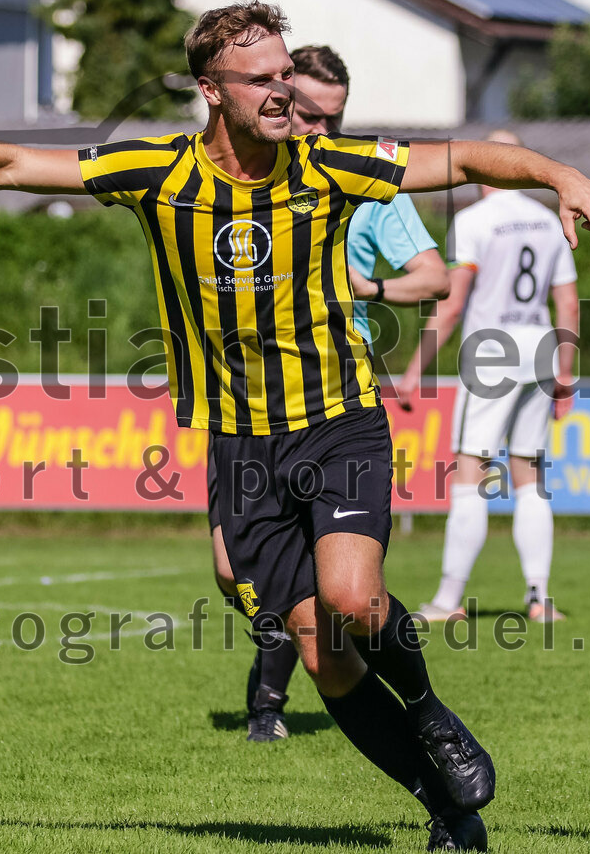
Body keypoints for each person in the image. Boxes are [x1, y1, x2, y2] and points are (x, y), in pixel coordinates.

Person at [0, 0, 590, 852]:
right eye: (264, 79)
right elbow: (13, 163)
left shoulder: (331, 164)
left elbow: (463, 156)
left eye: (288, 76)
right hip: (239, 444)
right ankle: (446, 811)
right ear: (211, 89)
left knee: (353, 599)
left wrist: (556, 173)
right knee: (320, 654)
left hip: (338, 421)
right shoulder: (156, 170)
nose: (285, 92)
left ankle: (430, 712)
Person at [208, 44, 450, 743]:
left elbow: (434, 277)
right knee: (236, 570)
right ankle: (290, 694)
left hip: (336, 395)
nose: (320, 130)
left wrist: (366, 286)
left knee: (336, 582)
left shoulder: (366, 185)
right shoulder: (243, 177)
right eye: (310, 114)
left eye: (334, 119)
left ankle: (275, 704)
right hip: (248, 397)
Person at [396, 130, 580, 624]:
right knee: (529, 476)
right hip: (540, 348)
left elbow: (452, 303)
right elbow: (567, 301)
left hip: (493, 352)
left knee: (470, 473)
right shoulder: (546, 221)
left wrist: (415, 371)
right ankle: (540, 598)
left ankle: (447, 599)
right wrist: (565, 368)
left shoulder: (474, 221)